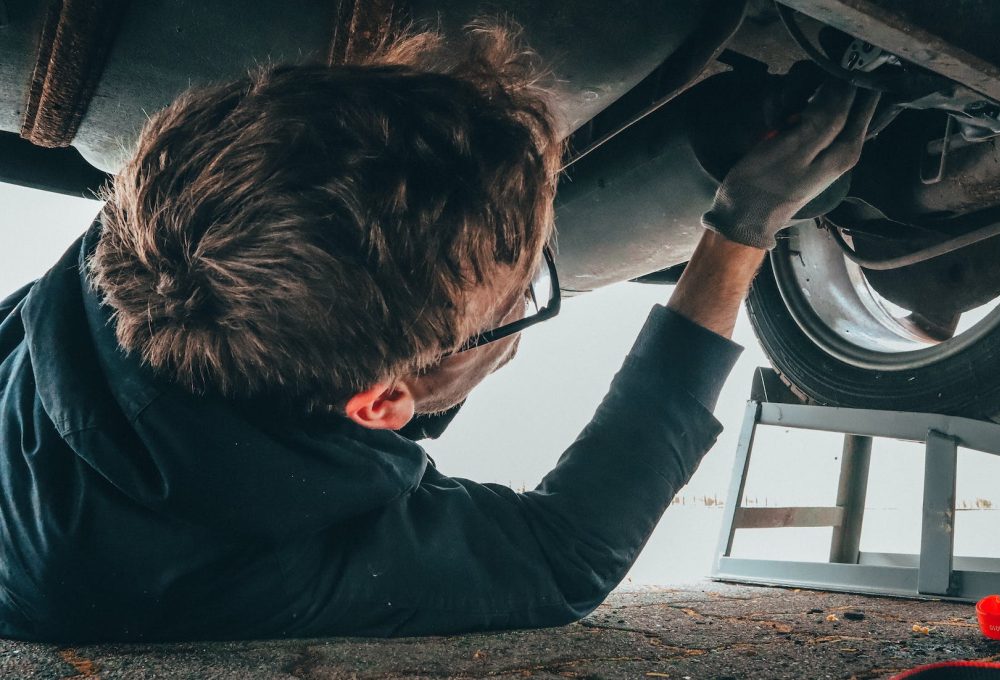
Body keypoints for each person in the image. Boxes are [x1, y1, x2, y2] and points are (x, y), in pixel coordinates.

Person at [0, 25, 877, 642]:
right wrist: (739, 231)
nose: (526, 299)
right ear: (381, 402)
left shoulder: (171, 230)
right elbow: (566, 555)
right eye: (521, 297)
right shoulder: (227, 565)